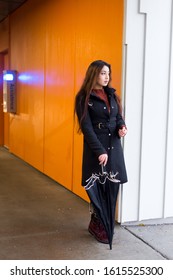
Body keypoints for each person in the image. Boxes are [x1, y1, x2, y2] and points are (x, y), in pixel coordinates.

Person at [75, 60, 127, 245]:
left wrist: (122, 127)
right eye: (103, 73)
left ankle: (105, 224)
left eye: (108, 73)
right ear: (94, 74)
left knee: (112, 186)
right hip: (97, 149)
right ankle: (97, 222)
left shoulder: (111, 95)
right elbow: (86, 127)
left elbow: (117, 116)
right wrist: (99, 151)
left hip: (114, 147)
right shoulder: (84, 97)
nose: (107, 77)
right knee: (96, 187)